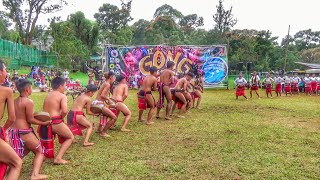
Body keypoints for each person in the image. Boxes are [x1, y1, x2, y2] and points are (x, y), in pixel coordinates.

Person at [10, 79, 50, 180]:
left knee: (25, 150)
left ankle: (10, 167)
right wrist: (43, 123)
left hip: (14, 131)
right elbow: (30, 119)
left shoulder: (14, 101)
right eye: (31, 87)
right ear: (28, 89)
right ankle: (35, 175)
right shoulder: (28, 101)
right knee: (40, 151)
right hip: (24, 131)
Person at [38, 77, 74, 164]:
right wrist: (61, 117)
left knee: (50, 138)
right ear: (61, 86)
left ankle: (41, 156)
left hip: (45, 121)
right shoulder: (62, 96)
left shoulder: (48, 94)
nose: (65, 87)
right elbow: (65, 111)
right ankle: (58, 158)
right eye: (65, 85)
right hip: (55, 121)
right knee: (70, 137)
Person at [0, 60, 22, 180]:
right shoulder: (6, 91)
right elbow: (12, 118)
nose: (7, 73)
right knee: (16, 163)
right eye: (5, 70)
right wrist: (3, 130)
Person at [93, 72, 118, 137]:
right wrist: (109, 99)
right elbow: (103, 95)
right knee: (114, 117)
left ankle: (99, 129)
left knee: (105, 114)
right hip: (99, 104)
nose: (114, 79)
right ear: (111, 77)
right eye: (114, 77)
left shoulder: (105, 83)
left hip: (97, 102)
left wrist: (107, 100)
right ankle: (103, 132)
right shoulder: (107, 84)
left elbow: (102, 96)